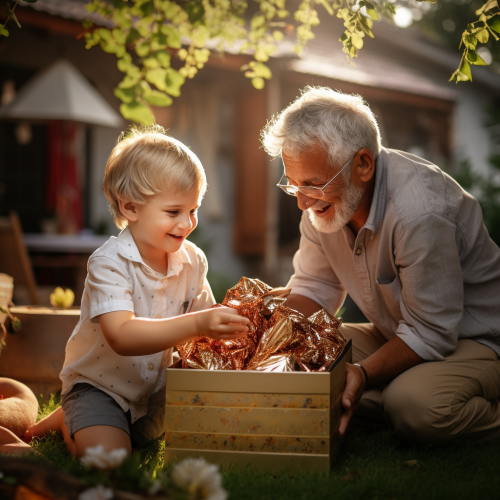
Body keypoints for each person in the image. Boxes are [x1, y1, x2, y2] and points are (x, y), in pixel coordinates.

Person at [261, 86, 500, 443]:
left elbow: (432, 331)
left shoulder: (419, 212)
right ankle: (382, 396)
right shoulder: (319, 202)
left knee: (414, 406)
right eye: (293, 185)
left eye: (313, 185)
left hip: (476, 339)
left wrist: (363, 373)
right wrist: (267, 339)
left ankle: (397, 398)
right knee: (296, 357)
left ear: (363, 164)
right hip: (401, 332)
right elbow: (314, 288)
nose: (302, 203)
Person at [20, 125, 250, 457]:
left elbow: (204, 334)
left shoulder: (192, 261)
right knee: (110, 462)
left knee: (157, 440)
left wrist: (236, 322)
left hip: (154, 397)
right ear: (130, 208)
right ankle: (77, 414)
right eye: (174, 212)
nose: (187, 224)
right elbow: (122, 335)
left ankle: (78, 421)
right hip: (100, 388)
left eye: (193, 210)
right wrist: (199, 323)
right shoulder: (109, 263)